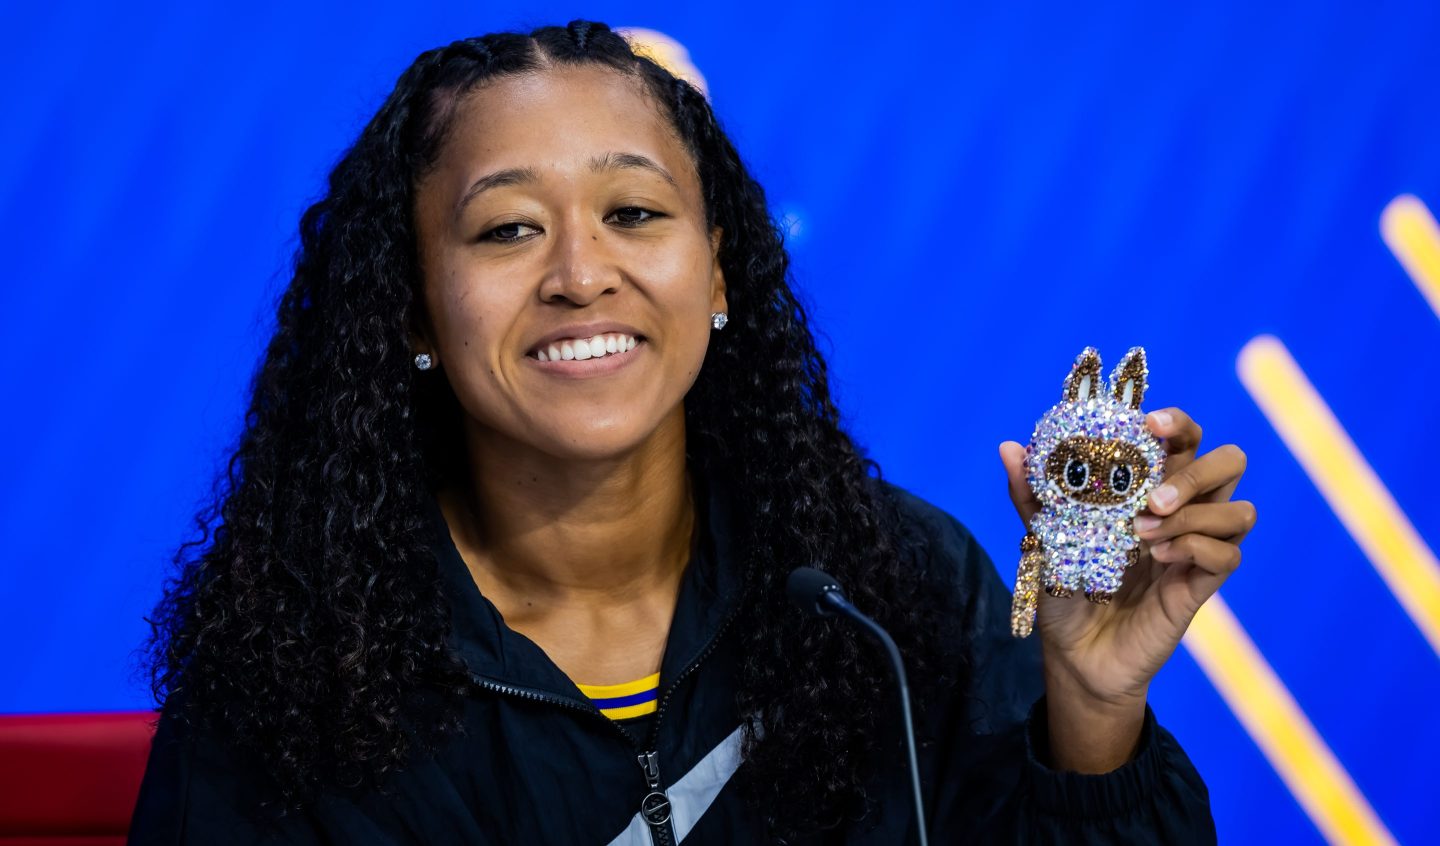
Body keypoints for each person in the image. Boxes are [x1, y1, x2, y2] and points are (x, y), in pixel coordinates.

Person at [129, 20, 1254, 845]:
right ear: (414, 308)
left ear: (719, 272)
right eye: (509, 229)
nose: (582, 275)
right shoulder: (291, 672)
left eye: (634, 214)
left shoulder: (889, 590)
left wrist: (1096, 712)